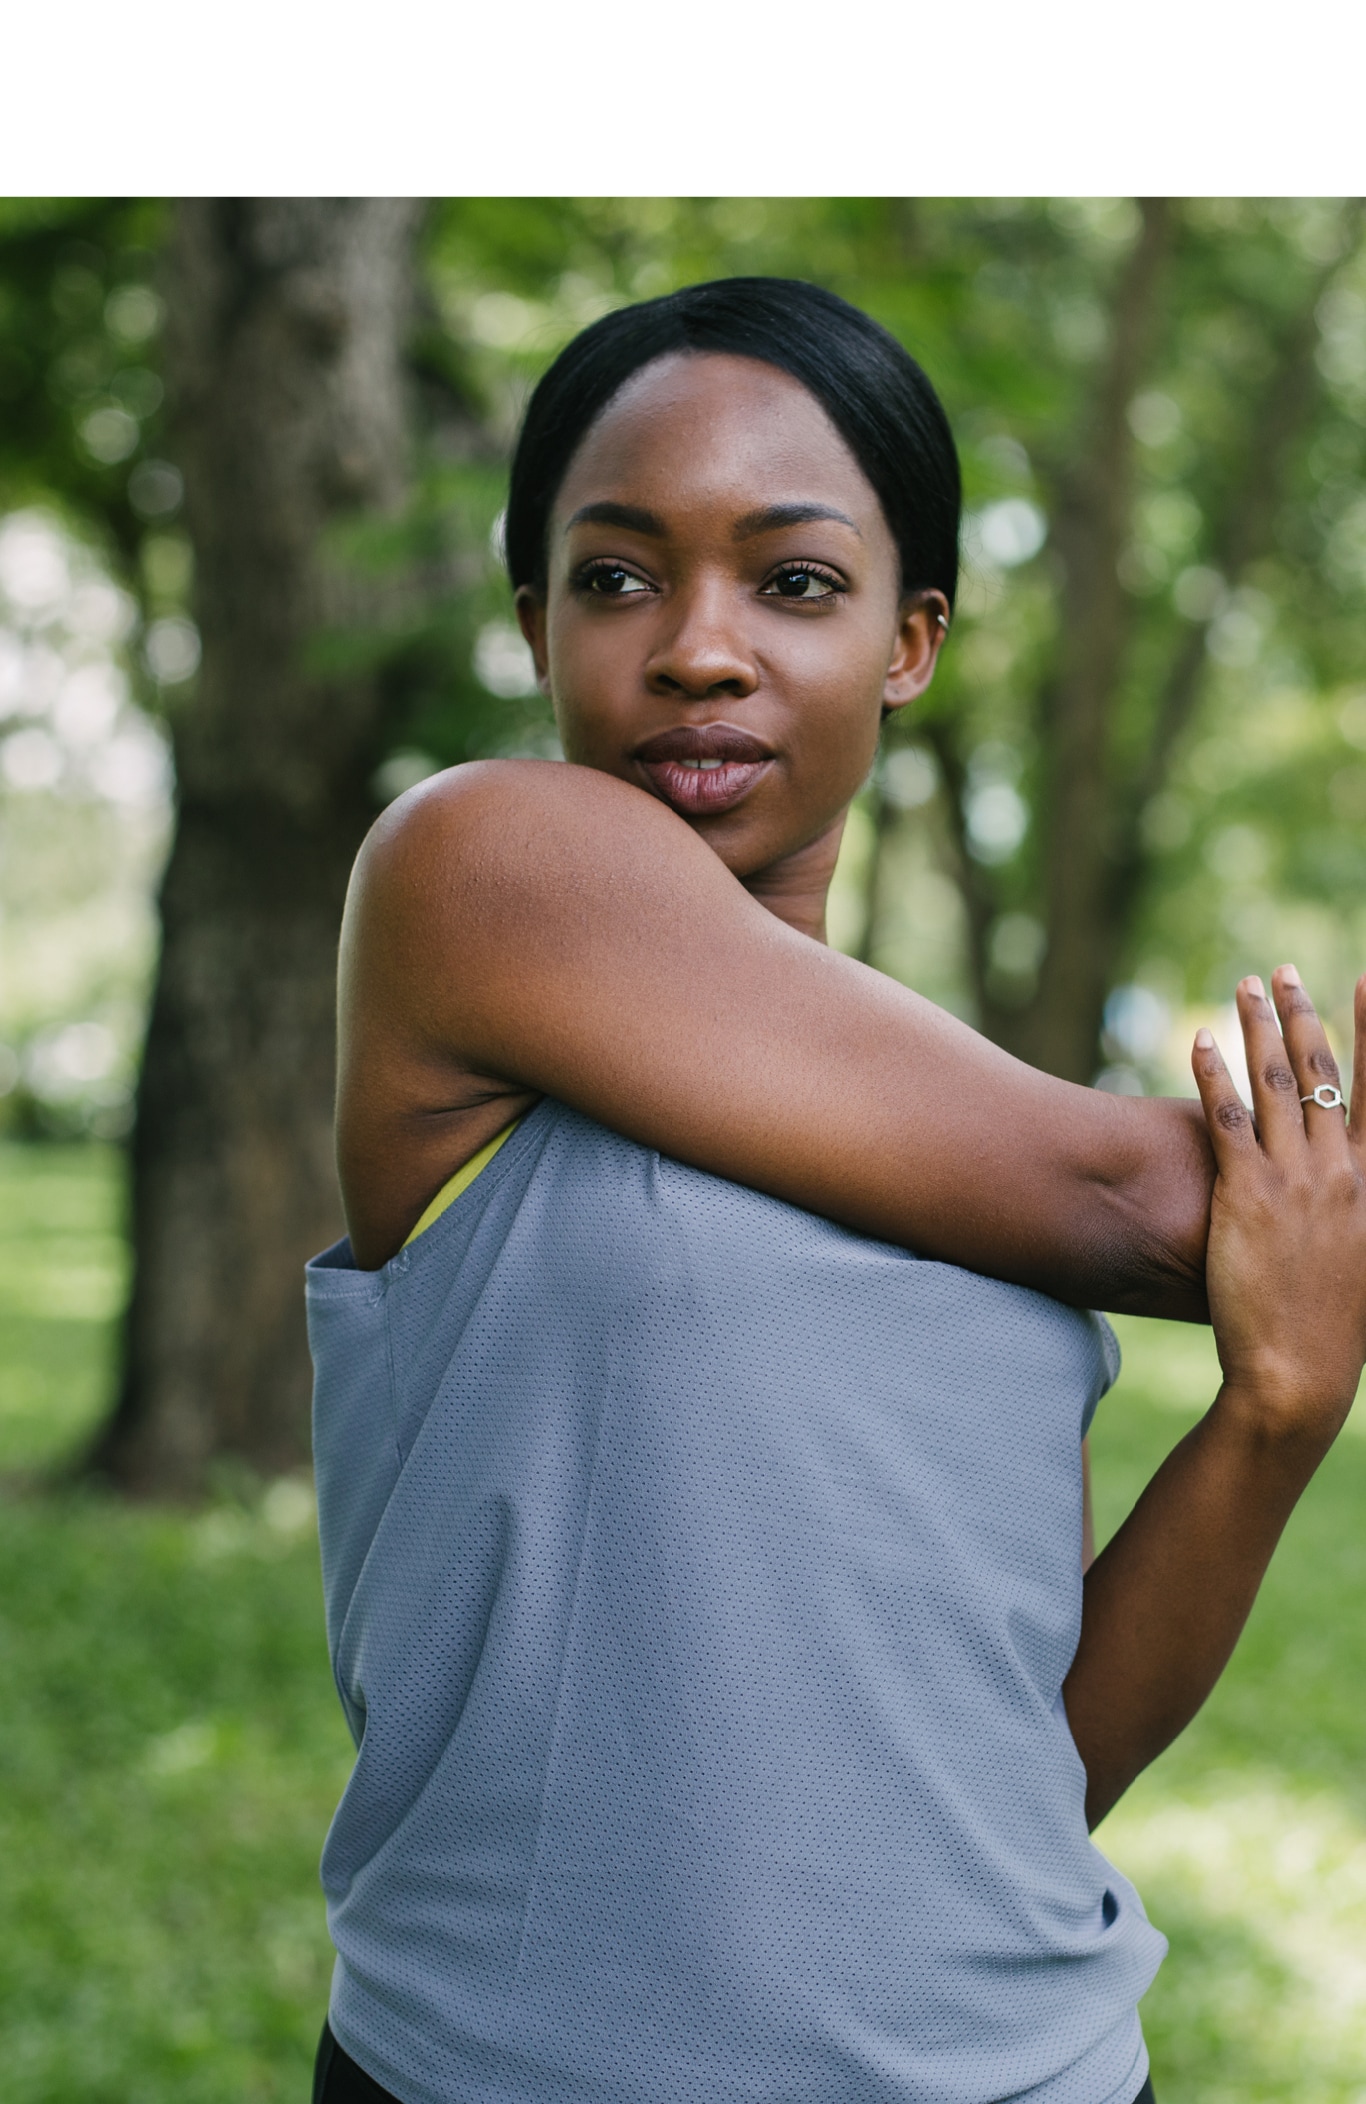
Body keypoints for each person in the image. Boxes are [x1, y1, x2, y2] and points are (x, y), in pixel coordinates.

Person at [307, 279, 1366, 2104]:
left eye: (793, 583)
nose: (698, 648)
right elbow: (1147, 1201)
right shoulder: (475, 872)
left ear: (909, 642)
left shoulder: (963, 1148)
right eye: (617, 576)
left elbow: (1008, 1777)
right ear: (537, 626)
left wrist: (1277, 1412)